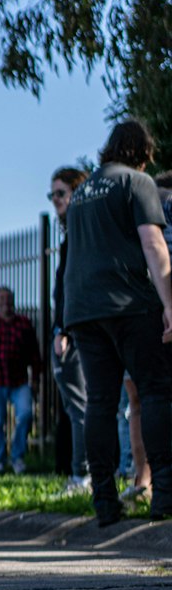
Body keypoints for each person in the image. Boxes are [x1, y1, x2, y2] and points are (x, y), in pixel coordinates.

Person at [62, 118, 172, 526]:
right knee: (157, 391)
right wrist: (170, 303)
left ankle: (105, 501)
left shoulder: (83, 192)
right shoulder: (137, 183)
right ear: (142, 152)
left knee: (100, 403)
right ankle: (164, 494)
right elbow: (152, 242)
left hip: (84, 309)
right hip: (130, 302)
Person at [48, 166, 91, 490]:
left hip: (72, 329)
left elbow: (72, 285)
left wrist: (63, 329)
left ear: (77, 193)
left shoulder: (80, 231)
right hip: (70, 327)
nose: (55, 200)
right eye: (52, 195)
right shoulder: (75, 231)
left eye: (61, 193)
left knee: (80, 407)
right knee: (80, 406)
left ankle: (82, 474)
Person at [0, 286, 42, 475]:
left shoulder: (24, 324)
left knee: (26, 415)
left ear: (13, 301)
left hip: (19, 381)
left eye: (8, 299)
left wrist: (35, 379)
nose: (5, 303)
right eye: (1, 299)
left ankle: (17, 456)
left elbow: (34, 354)